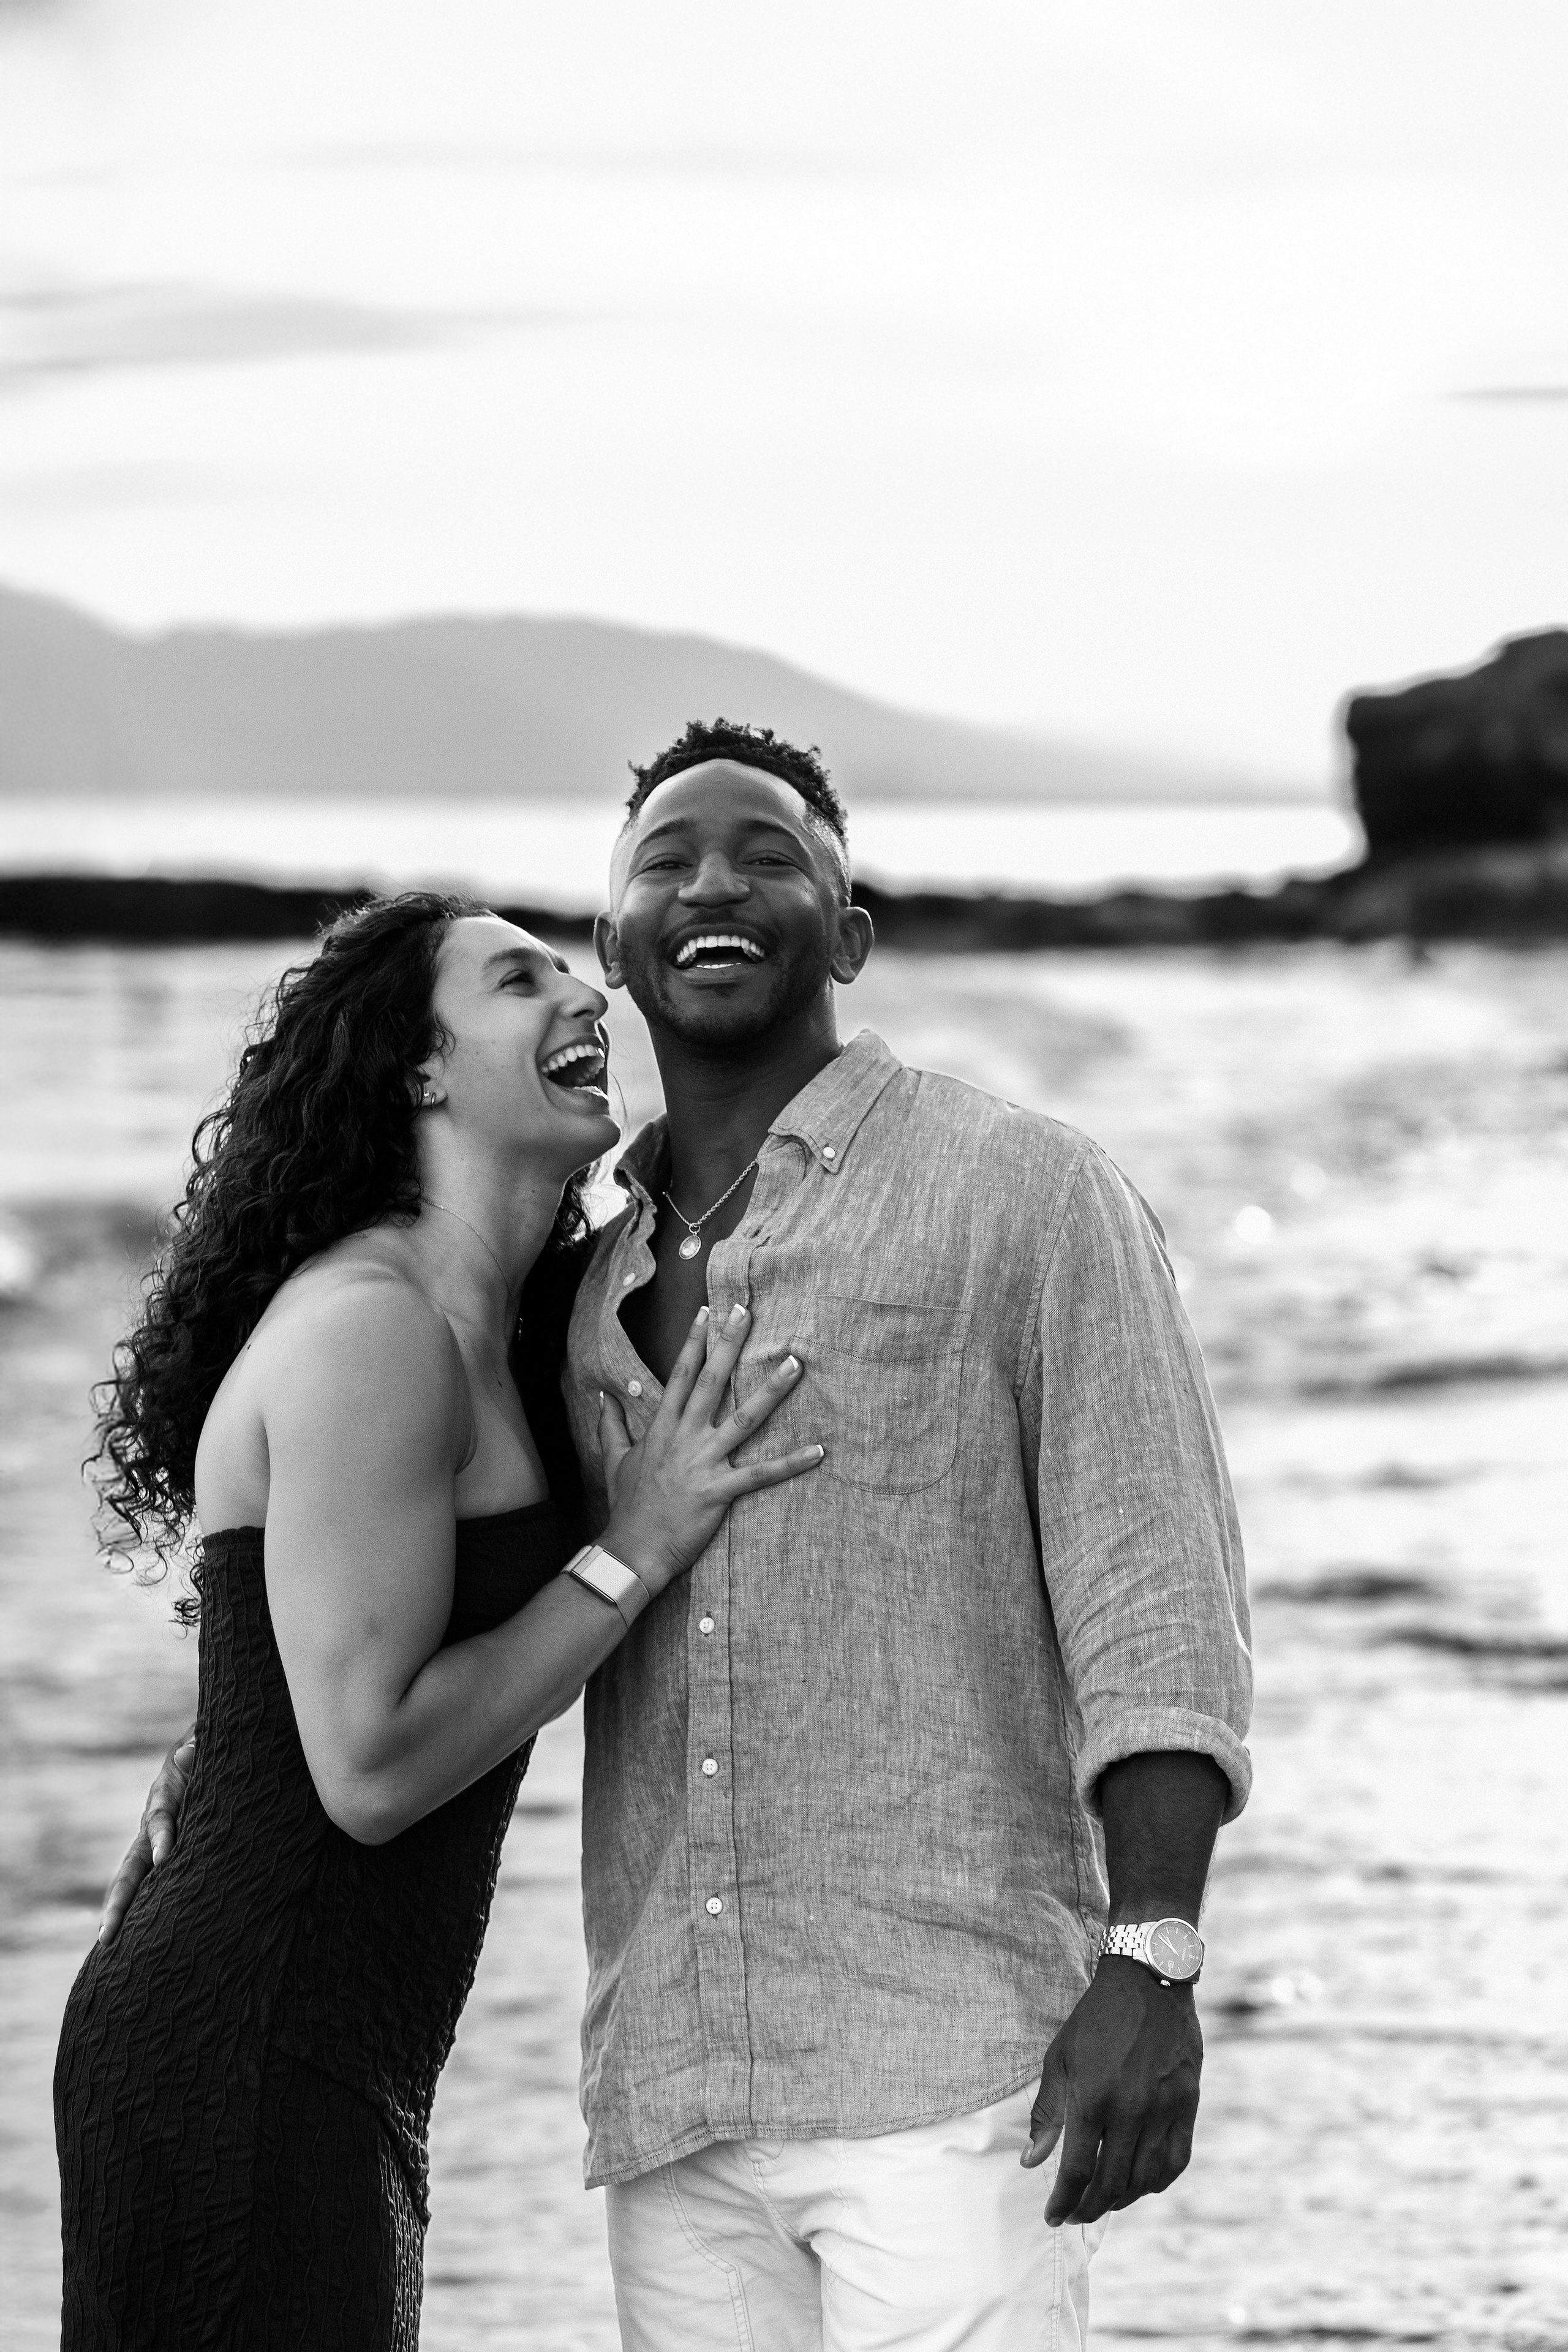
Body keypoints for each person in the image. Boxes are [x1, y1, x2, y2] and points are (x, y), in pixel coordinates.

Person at [114, 725, 1254, 2350]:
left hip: (945, 2080)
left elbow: (1157, 1603)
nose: (713, 884)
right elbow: (395, 1574)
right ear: (620, 943)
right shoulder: (570, 1299)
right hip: (676, 2104)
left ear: (846, 934)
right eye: (666, 862)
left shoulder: (1026, 1197)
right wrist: (228, 1757)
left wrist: (1152, 1955)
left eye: (768, 857)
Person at [58, 888, 824, 2352]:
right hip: (248, 2044)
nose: (585, 998)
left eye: (571, 975)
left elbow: (318, 1646)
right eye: (518, 983)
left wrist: (224, 1755)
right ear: (417, 1070)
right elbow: (369, 1770)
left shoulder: (504, 1328)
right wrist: (633, 1548)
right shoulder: (376, 1326)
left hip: (330, 2047)